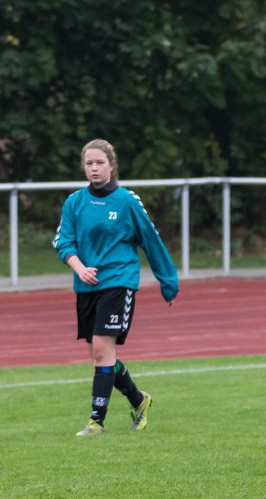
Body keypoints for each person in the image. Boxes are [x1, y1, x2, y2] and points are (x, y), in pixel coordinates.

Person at [53, 139, 179, 437]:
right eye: (89, 163)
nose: (94, 168)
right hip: (86, 285)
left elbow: (151, 240)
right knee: (100, 355)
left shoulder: (126, 201)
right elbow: (62, 241)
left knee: (101, 349)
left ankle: (96, 421)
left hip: (119, 282)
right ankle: (139, 400)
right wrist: (79, 267)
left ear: (112, 165)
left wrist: (168, 282)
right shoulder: (75, 202)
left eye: (99, 163)